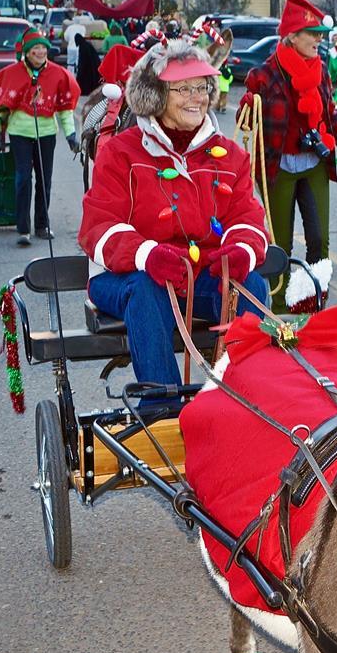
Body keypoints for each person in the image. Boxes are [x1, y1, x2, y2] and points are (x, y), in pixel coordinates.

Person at [78, 38, 270, 391]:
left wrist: (241, 250)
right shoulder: (122, 152)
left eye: (201, 87)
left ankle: (238, 393)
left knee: (253, 286)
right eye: (183, 88)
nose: (196, 97)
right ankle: (161, 403)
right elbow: (97, 224)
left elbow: (247, 214)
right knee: (149, 288)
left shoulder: (228, 156)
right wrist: (147, 254)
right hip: (129, 278)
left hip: (201, 277)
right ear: (155, 94)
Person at [237, 0, 337, 312]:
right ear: (292, 35)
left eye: (321, 34)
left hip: (314, 164)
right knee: (281, 244)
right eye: (313, 33)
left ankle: (313, 300)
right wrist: (249, 107)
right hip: (279, 167)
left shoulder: (321, 70)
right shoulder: (264, 74)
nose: (320, 40)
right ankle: (277, 306)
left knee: (319, 240)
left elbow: (329, 116)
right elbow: (247, 116)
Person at [0, 29, 80, 245]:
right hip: (20, 133)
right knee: (23, 179)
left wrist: (71, 134)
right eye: (36, 48)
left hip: (46, 133)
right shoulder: (12, 73)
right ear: (27, 52)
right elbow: (0, 107)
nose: (41, 51)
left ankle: (42, 225)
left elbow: (64, 107)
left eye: (43, 48)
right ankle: (23, 229)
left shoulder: (58, 74)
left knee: (45, 180)